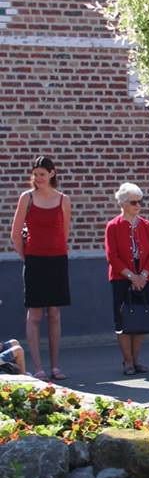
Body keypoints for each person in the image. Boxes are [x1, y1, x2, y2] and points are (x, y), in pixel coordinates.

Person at [9, 156, 72, 380]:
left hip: (57, 260)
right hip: (34, 260)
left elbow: (64, 232)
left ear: (52, 174)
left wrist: (55, 251)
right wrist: (27, 257)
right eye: (35, 174)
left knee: (54, 314)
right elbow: (15, 234)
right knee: (34, 313)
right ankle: (38, 367)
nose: (37, 178)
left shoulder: (63, 199)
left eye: (42, 174)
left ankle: (55, 366)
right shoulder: (27, 198)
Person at [105, 182, 149, 376]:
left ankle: (136, 361)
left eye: (140, 202)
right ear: (123, 203)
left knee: (140, 318)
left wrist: (142, 276)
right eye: (134, 202)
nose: (138, 206)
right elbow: (112, 256)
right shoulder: (113, 226)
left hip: (144, 278)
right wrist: (131, 276)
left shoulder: (147, 226)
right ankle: (127, 361)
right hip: (121, 279)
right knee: (124, 321)